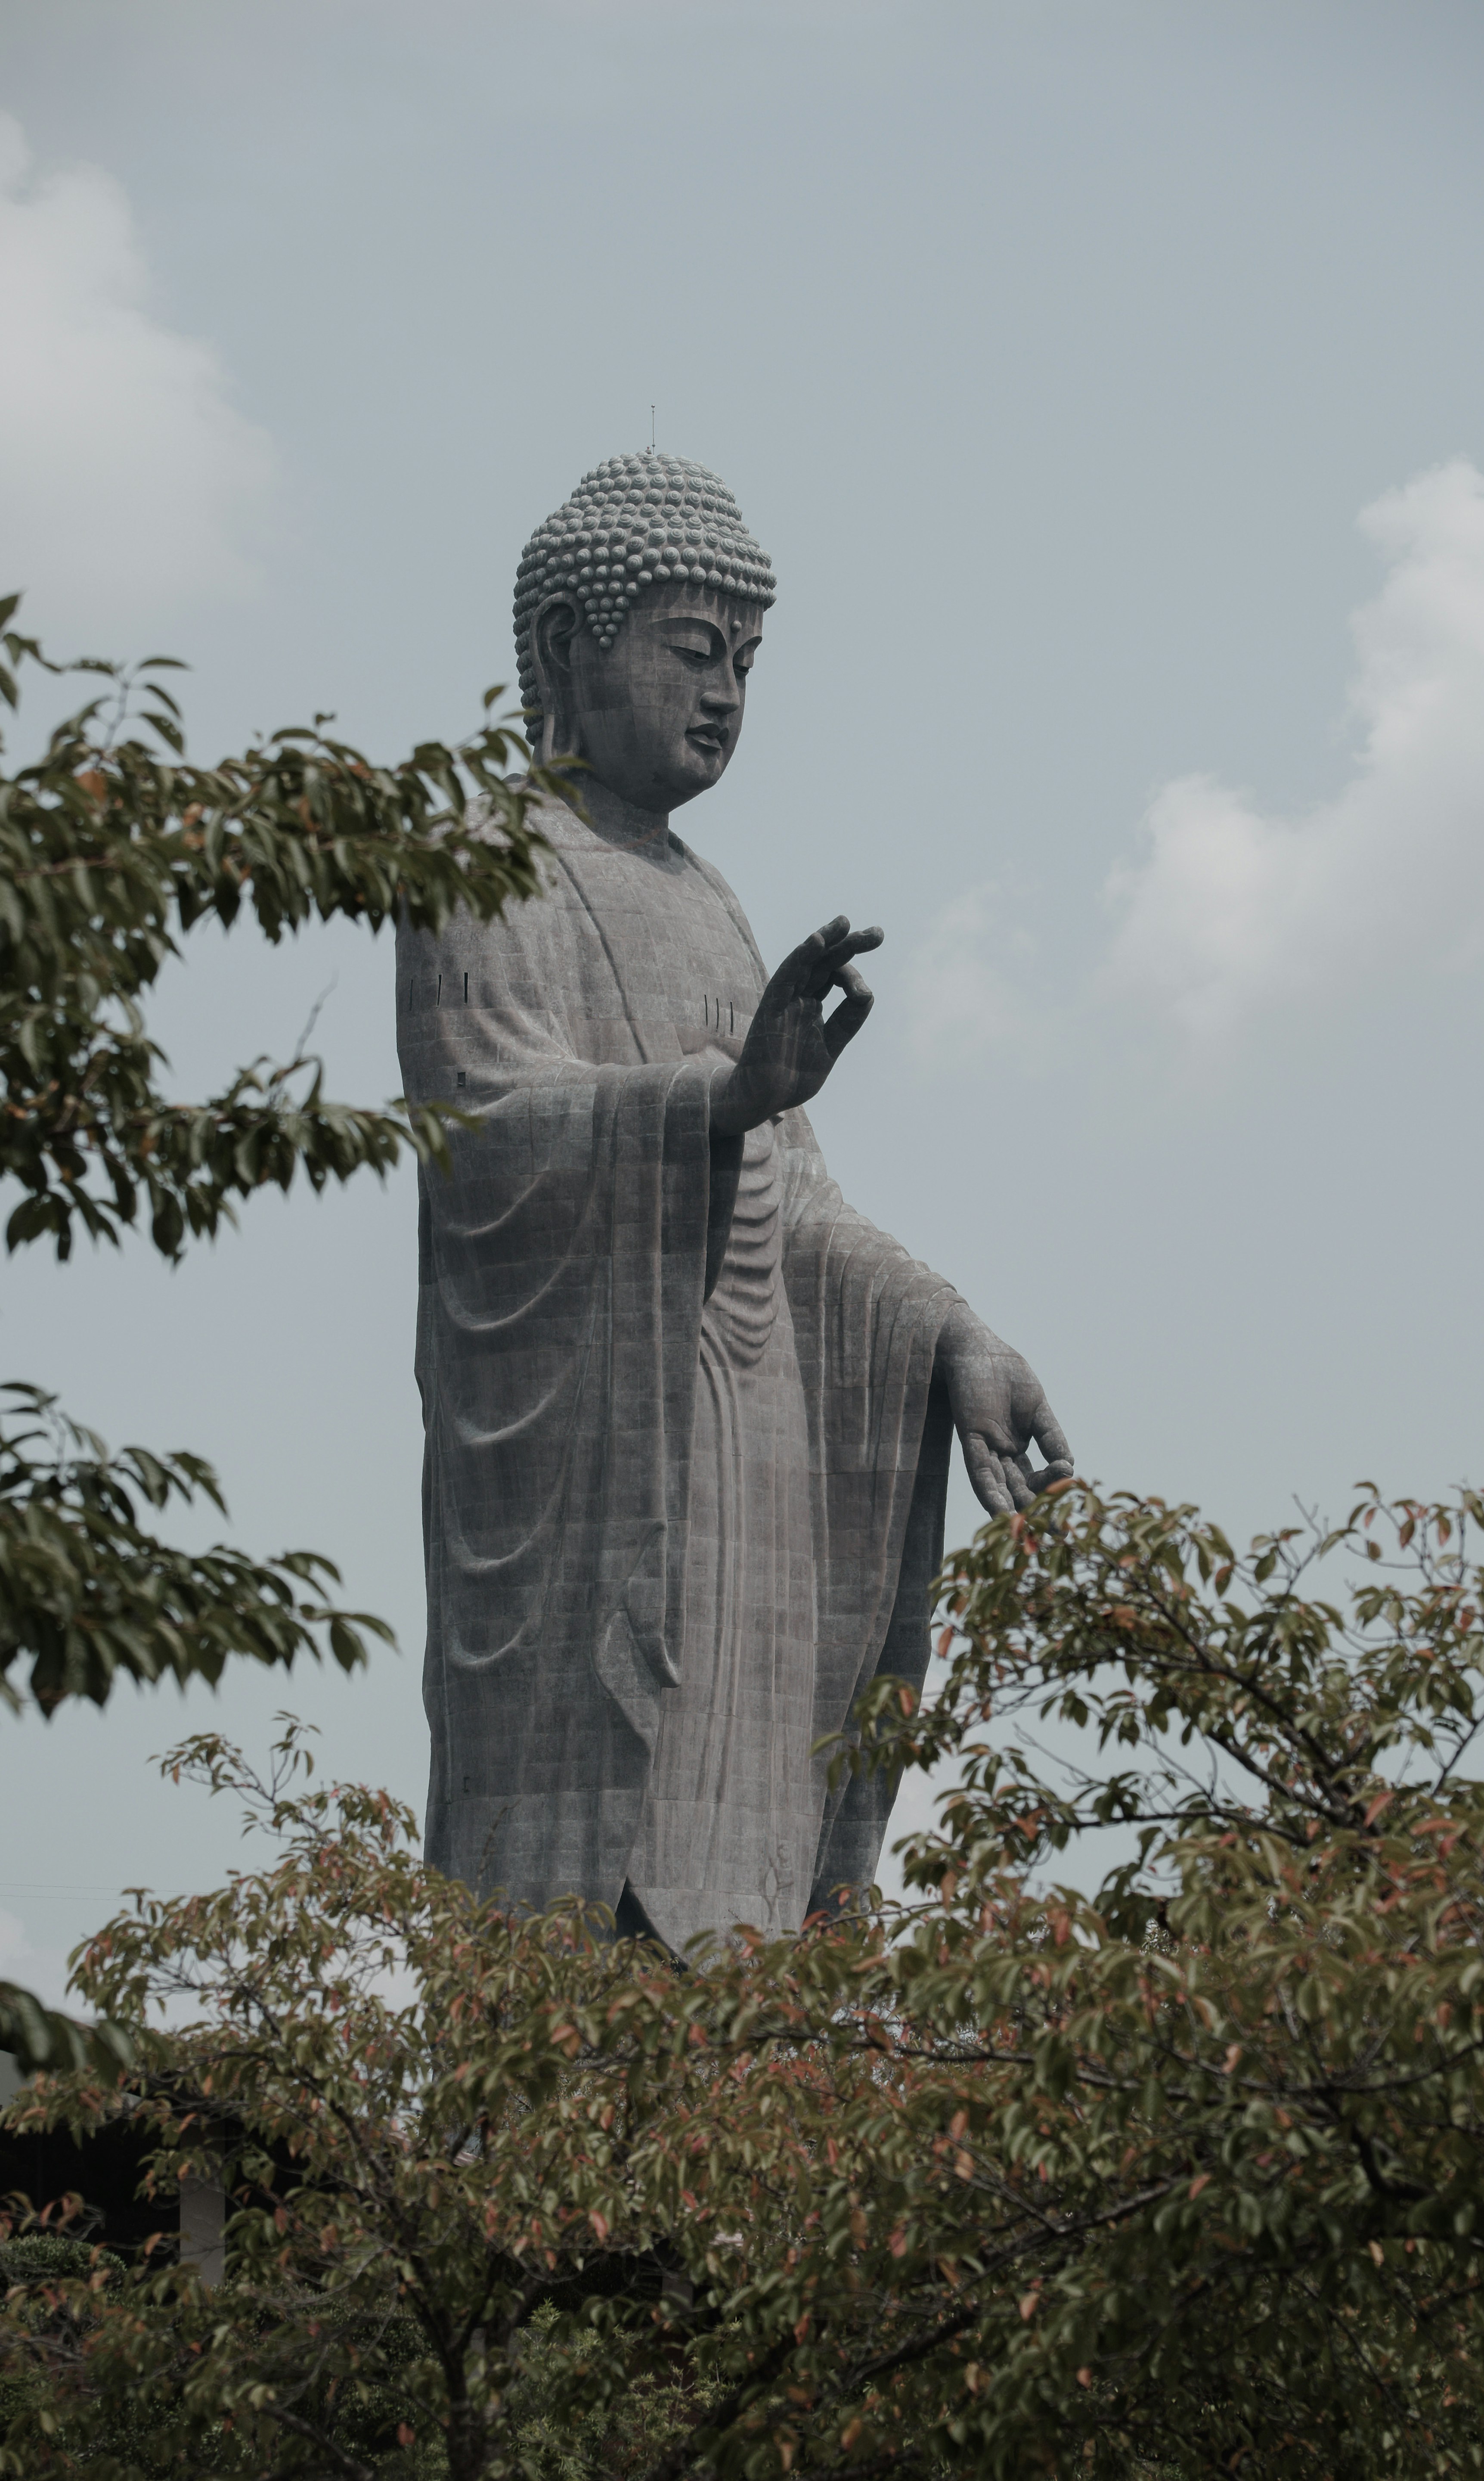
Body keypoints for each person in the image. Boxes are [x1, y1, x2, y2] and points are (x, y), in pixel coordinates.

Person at [397, 451, 1070, 1953]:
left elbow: (802, 1210)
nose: (727, 697)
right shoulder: (486, 861)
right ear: (572, 647)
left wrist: (950, 1328)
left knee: (747, 1914)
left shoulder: (711, 898)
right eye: (693, 651)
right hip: (604, 1461)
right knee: (589, 1934)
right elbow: (487, 1137)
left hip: (758, 1458)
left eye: (748, 665)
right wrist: (718, 1097)